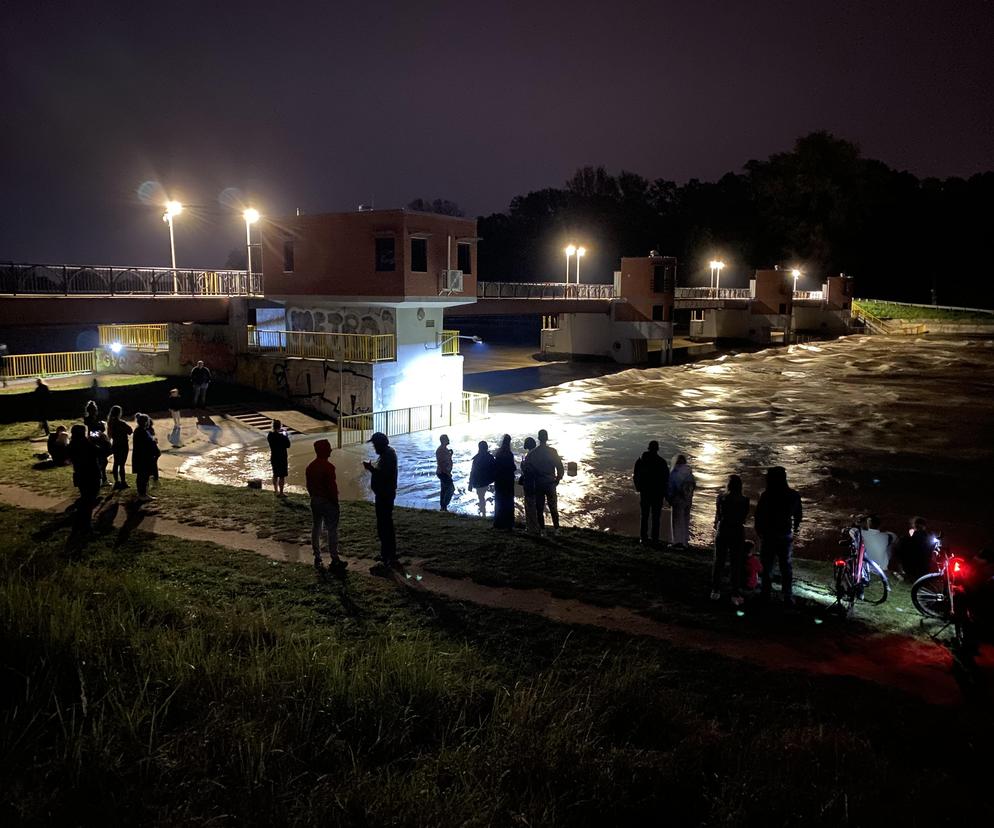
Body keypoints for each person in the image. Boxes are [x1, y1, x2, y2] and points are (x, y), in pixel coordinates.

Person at [754, 466, 803, 605]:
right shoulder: (793, 495)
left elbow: (759, 515)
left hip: (769, 535)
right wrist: (795, 530)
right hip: (785, 535)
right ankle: (787, 595)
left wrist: (759, 532)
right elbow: (798, 516)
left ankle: (765, 593)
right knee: (786, 567)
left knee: (767, 565)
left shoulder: (767, 495)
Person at [305, 439, 346, 571]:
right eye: (328, 448)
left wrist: (314, 496)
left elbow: (309, 486)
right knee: (332, 530)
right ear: (323, 450)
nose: (330, 450)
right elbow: (331, 488)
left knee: (316, 527)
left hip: (315, 500)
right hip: (327, 501)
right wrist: (335, 502)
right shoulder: (329, 467)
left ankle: (317, 555)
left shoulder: (310, 467)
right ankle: (334, 558)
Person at [711, 474, 751, 605]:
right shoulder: (745, 500)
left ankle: (716, 590)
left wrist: (716, 524)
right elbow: (744, 518)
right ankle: (735, 592)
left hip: (723, 529)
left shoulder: (721, 498)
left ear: (728, 485)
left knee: (719, 561)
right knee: (736, 563)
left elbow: (718, 515)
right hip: (737, 531)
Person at [363, 432, 398, 566]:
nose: (374, 447)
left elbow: (384, 475)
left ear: (380, 444)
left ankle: (389, 555)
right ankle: (386, 554)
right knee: (383, 524)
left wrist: (370, 468)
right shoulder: (386, 454)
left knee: (385, 524)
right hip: (383, 494)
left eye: (375, 444)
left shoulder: (388, 455)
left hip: (385, 495)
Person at [527, 429, 565, 534]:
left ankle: (542, 530)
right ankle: (556, 529)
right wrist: (558, 479)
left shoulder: (533, 453)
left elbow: (527, 469)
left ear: (538, 438)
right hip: (550, 483)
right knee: (553, 507)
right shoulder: (552, 451)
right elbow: (560, 468)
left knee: (539, 508)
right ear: (547, 438)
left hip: (538, 483)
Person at [633, 441, 670, 546]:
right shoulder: (662, 462)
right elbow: (666, 479)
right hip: (657, 494)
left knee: (644, 516)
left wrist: (638, 488)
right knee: (656, 517)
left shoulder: (641, 460)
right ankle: (655, 539)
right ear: (657, 449)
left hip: (645, 492)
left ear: (648, 448)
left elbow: (636, 475)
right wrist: (665, 494)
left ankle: (643, 538)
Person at [68, 424, 101, 530]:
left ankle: (80, 523)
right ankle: (86, 525)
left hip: (79, 474)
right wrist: (99, 441)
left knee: (84, 498)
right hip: (91, 474)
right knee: (90, 499)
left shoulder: (72, 444)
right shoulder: (87, 444)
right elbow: (100, 452)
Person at [667, 454, 696, 548]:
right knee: (685, 521)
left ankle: (677, 542)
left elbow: (671, 486)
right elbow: (694, 486)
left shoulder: (675, 472)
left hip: (677, 499)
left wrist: (669, 498)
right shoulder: (689, 473)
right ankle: (684, 542)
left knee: (676, 521)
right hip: (688, 500)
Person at [132, 413, 161, 502]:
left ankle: (143, 493)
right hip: (143, 457)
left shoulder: (140, 431)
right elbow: (146, 444)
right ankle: (142, 494)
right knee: (143, 476)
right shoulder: (141, 432)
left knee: (143, 475)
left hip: (141, 456)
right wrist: (153, 442)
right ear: (145, 422)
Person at [897, 516, 935, 582]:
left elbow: (900, 553)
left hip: (908, 569)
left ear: (915, 525)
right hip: (923, 571)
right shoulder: (930, 539)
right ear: (924, 526)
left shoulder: (906, 538)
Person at [492, 434, 517, 531]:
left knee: (499, 501)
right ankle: (508, 523)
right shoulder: (509, 454)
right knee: (509, 501)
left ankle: (498, 522)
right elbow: (512, 467)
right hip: (508, 480)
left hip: (499, 480)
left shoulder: (498, 453)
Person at [107, 405, 133, 489]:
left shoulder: (110, 423)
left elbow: (109, 435)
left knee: (115, 463)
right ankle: (123, 482)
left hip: (115, 444)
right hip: (123, 444)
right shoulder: (121, 423)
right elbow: (130, 431)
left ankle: (116, 482)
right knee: (122, 465)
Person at [519, 436, 541, 534]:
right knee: (536, 506)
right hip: (537, 484)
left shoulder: (529, 456)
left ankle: (531, 528)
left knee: (529, 506)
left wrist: (522, 466)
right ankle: (538, 526)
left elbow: (528, 471)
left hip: (529, 484)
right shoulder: (537, 454)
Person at [469, 440, 496, 516]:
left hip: (478, 481)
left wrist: (470, 484)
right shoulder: (490, 457)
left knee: (481, 497)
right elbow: (495, 468)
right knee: (483, 496)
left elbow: (472, 472)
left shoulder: (476, 458)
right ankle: (483, 511)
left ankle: (482, 511)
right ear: (486, 447)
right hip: (488, 480)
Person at [268, 419, 291, 496]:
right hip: (282, 457)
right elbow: (288, 445)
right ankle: (281, 492)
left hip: (274, 456)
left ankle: (275, 490)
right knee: (282, 475)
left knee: (275, 474)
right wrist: (286, 436)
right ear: (280, 426)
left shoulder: (270, 435)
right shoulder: (282, 437)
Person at [435, 434, 454, 511]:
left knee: (444, 489)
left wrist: (450, 455)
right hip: (443, 473)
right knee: (451, 488)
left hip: (445, 472)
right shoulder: (440, 450)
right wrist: (447, 472)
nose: (448, 440)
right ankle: (444, 505)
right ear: (443, 440)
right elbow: (440, 463)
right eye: (447, 439)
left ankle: (443, 508)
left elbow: (447, 460)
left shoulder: (445, 449)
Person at [91, 420, 112, 486]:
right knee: (102, 468)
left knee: (101, 467)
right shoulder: (100, 434)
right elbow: (105, 443)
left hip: (100, 453)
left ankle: (102, 480)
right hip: (101, 453)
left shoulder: (94, 434)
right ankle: (103, 480)